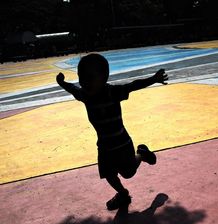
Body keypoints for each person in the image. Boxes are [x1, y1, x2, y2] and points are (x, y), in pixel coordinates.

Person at [56, 53, 168, 210]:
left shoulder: (113, 92)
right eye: (81, 77)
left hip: (122, 143)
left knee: (128, 173)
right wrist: (61, 82)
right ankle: (122, 194)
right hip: (104, 145)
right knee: (108, 174)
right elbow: (72, 88)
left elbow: (133, 85)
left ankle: (142, 154)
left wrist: (153, 79)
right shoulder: (85, 95)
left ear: (104, 78)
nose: (84, 82)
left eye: (89, 77)